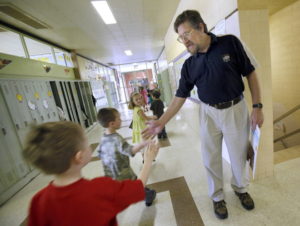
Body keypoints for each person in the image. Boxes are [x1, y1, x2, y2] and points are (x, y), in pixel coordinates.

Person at [142, 10, 264, 219]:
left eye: (186, 34)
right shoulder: (189, 65)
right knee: (211, 158)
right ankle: (217, 197)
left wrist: (257, 106)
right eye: (181, 38)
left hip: (235, 108)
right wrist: (161, 122)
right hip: (208, 113)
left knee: (238, 155)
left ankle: (240, 189)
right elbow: (179, 97)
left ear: (201, 27)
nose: (184, 41)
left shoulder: (230, 43)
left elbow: (250, 72)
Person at [22, 121, 159, 226]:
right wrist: (148, 160)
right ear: (79, 157)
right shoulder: (101, 189)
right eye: (86, 143)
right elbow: (137, 187)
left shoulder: (38, 201)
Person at [97, 107, 158, 206]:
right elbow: (130, 150)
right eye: (119, 118)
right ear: (112, 123)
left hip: (110, 174)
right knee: (136, 187)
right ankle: (148, 196)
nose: (121, 120)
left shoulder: (103, 138)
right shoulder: (117, 139)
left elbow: (100, 154)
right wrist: (143, 144)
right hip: (123, 173)